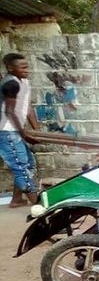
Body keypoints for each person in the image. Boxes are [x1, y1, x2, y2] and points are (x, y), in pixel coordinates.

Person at [0, 53, 39, 207]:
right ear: (10, 68)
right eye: (22, 67)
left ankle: (17, 199)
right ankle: (40, 207)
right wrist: (24, 133)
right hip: (6, 131)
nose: (26, 69)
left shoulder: (25, 82)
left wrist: (36, 130)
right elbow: (10, 112)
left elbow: (27, 107)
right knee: (21, 167)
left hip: (15, 130)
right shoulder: (10, 84)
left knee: (27, 163)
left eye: (26, 66)